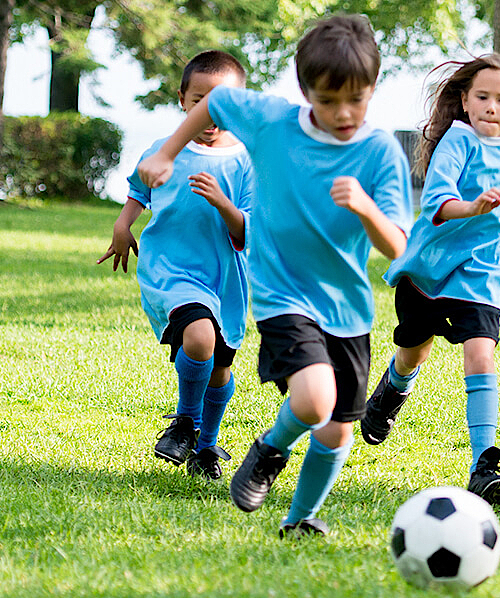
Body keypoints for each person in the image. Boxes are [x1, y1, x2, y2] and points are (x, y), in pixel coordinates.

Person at [138, 14, 411, 538]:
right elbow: (214, 104)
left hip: (347, 307)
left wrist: (366, 209)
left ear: (372, 89)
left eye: (357, 99)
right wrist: (168, 154)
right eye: (329, 101)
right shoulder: (273, 120)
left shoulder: (378, 153)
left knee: (334, 432)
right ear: (306, 90)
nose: (344, 113)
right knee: (313, 401)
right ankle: (268, 449)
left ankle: (300, 519)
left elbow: (397, 245)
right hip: (282, 292)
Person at [362, 54, 500, 507]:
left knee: (480, 356)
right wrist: (474, 206)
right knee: (413, 350)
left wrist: (485, 215)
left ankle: (484, 465)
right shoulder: (456, 142)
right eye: (482, 97)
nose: (491, 107)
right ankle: (391, 390)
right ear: (464, 100)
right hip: (433, 265)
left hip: (485, 270)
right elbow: (439, 202)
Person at [100, 50, 257, 480]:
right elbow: (139, 188)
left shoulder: (246, 161)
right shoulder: (163, 150)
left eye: (222, 103)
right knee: (200, 335)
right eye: (200, 100)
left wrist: (222, 202)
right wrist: (122, 224)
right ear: (183, 100)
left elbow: (247, 232)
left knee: (221, 368)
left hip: (224, 278)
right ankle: (185, 423)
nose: (210, 113)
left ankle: (205, 447)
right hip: (172, 271)